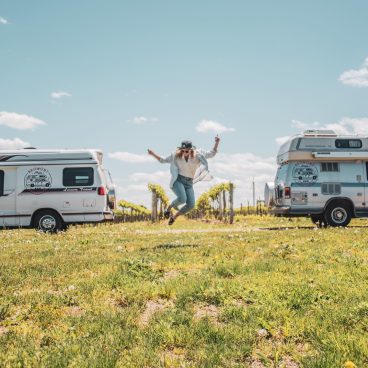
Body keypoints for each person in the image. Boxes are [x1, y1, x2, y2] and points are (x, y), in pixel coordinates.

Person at [148, 136, 220, 225]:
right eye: (183, 150)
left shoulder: (198, 154)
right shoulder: (176, 155)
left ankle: (174, 217)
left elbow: (212, 153)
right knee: (182, 199)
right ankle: (169, 207)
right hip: (178, 180)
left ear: (191, 150)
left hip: (189, 183)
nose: (184, 153)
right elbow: (163, 160)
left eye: (186, 151)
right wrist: (153, 154)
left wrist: (216, 143)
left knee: (191, 205)